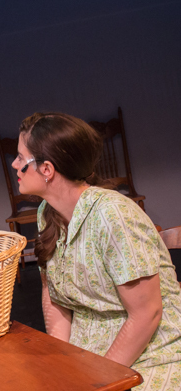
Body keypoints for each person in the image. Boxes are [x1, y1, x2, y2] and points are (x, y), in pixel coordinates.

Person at [12, 112, 181, 390]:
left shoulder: (113, 215)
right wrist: (61, 359)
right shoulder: (47, 213)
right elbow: (53, 295)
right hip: (89, 352)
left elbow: (147, 314)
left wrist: (100, 380)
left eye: (21, 158)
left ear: (47, 170)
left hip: (151, 351)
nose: (15, 165)